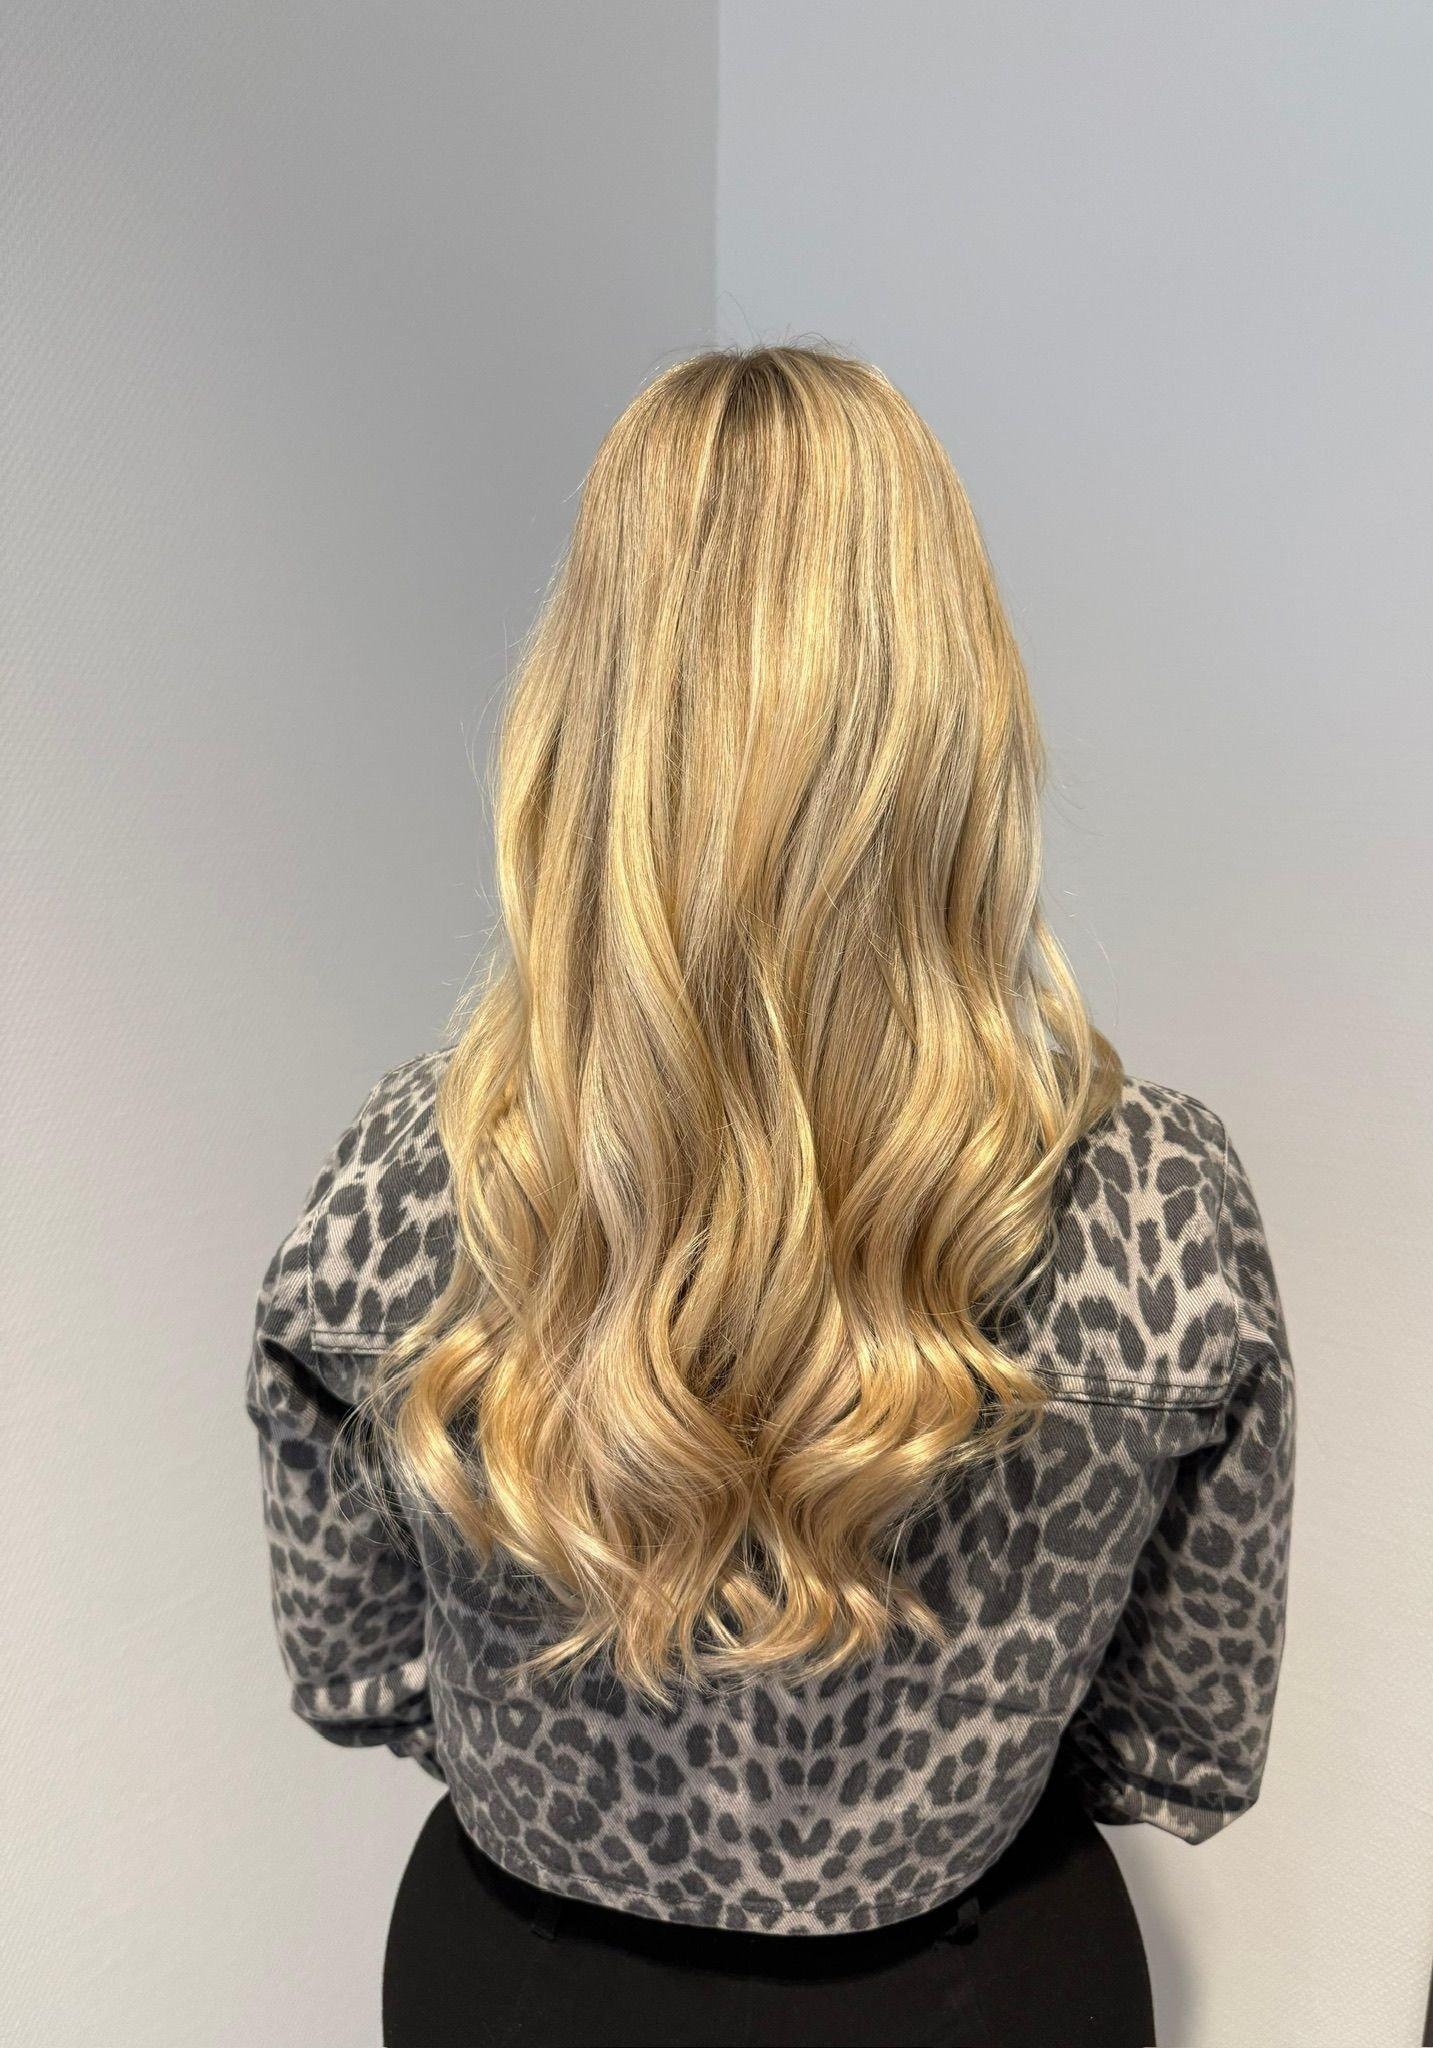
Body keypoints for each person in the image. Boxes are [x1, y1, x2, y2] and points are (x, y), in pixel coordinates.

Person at [244, 343, 1295, 2048]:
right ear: (958, 713)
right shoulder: (1157, 1202)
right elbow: (1185, 1742)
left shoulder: (406, 1176)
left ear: (583, 713)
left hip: (519, 1984)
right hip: (982, 1986)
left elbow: (357, 1673)